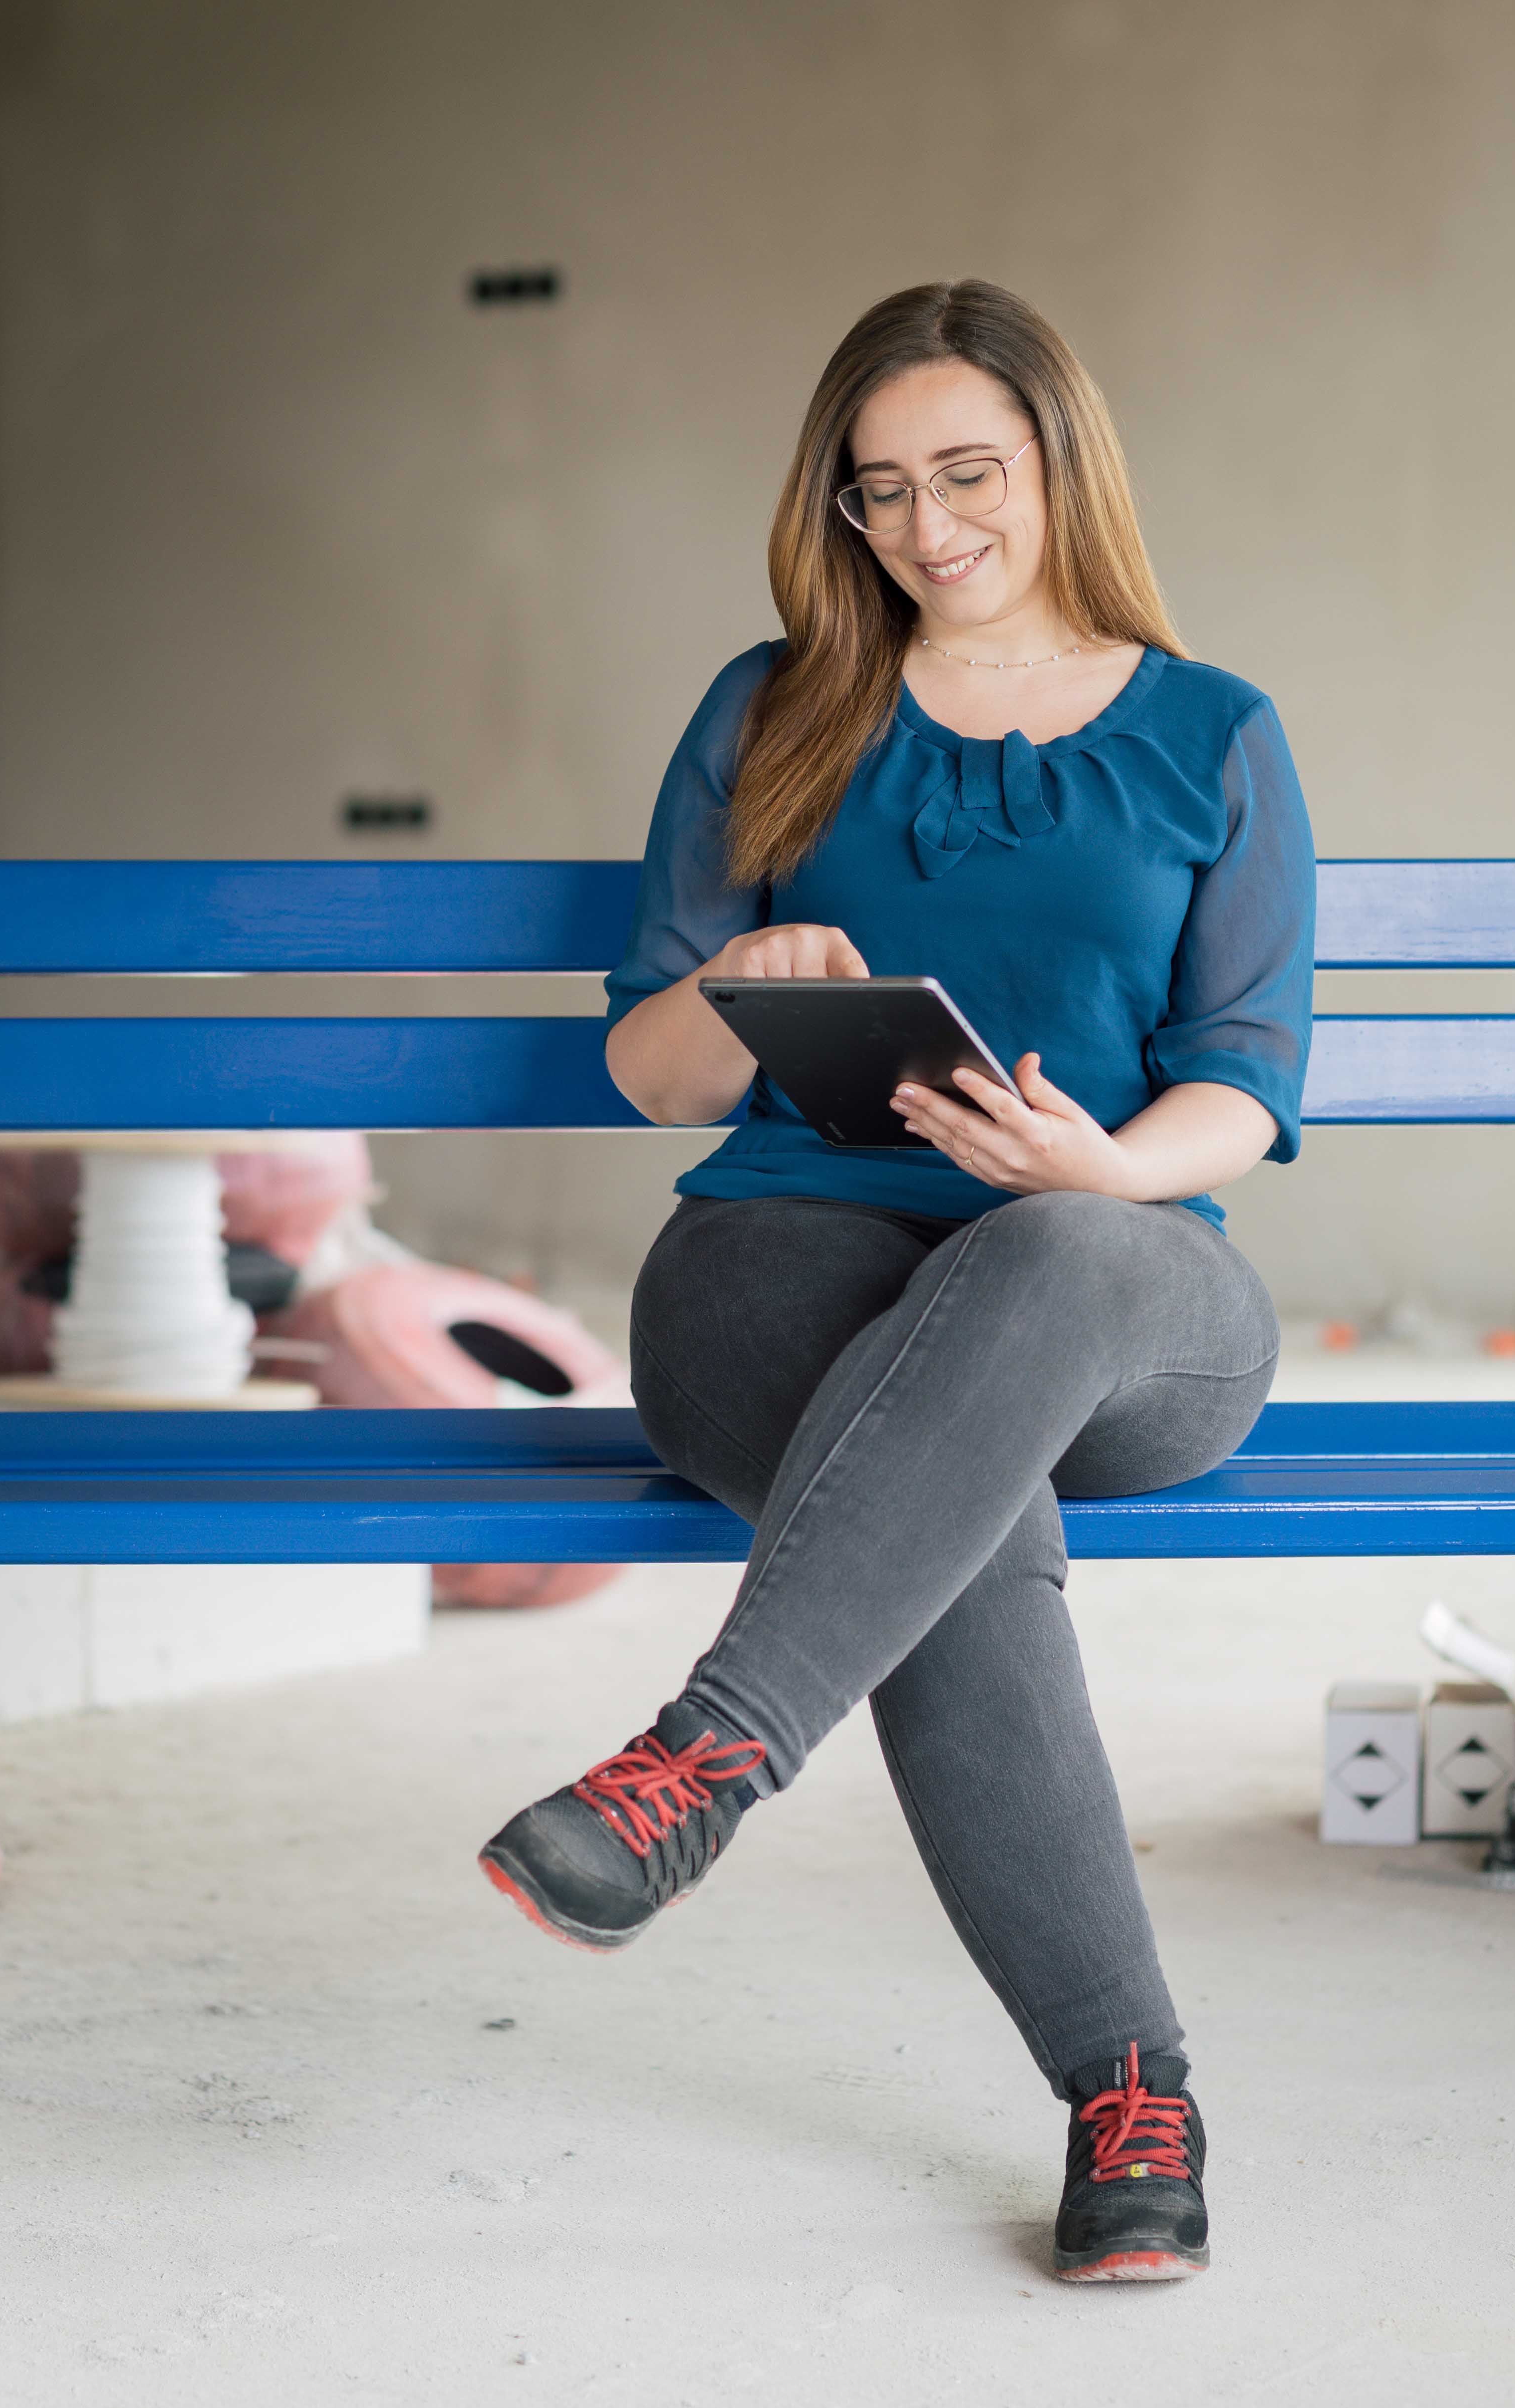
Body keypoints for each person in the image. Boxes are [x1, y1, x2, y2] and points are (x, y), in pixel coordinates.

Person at [474, 279, 1314, 2286]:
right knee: (955, 1497)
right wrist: (737, 991)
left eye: (969, 476)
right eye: (880, 495)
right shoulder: (771, 712)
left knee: (1035, 1282)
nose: (928, 530)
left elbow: (1251, 1086)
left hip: (1124, 1294)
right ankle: (1134, 2100)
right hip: (782, 1270)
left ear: (1055, 465)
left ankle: (706, 1756)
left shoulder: (1214, 735)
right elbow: (640, 1066)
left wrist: (1102, 1172)